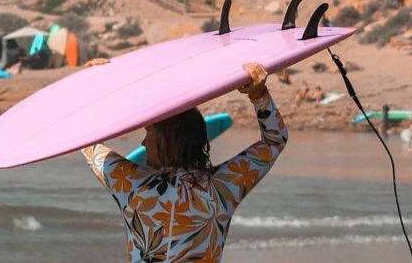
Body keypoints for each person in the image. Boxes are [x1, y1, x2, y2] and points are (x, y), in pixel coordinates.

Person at [81, 62, 287, 261]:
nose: (143, 143)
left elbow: (86, 141)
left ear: (166, 139)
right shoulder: (223, 186)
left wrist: (91, 85)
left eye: (148, 133)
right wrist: (259, 95)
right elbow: (274, 141)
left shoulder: (131, 184)